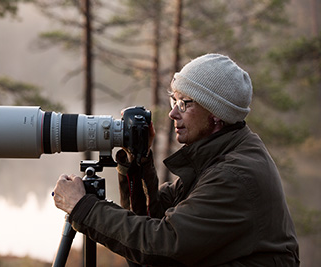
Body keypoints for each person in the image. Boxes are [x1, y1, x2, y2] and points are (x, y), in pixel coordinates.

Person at [52, 53, 300, 266]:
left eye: (184, 103)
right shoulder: (219, 154)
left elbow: (163, 245)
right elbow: (156, 216)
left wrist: (82, 207)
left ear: (216, 114)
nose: (172, 113)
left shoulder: (233, 174)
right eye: (174, 100)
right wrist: (138, 162)